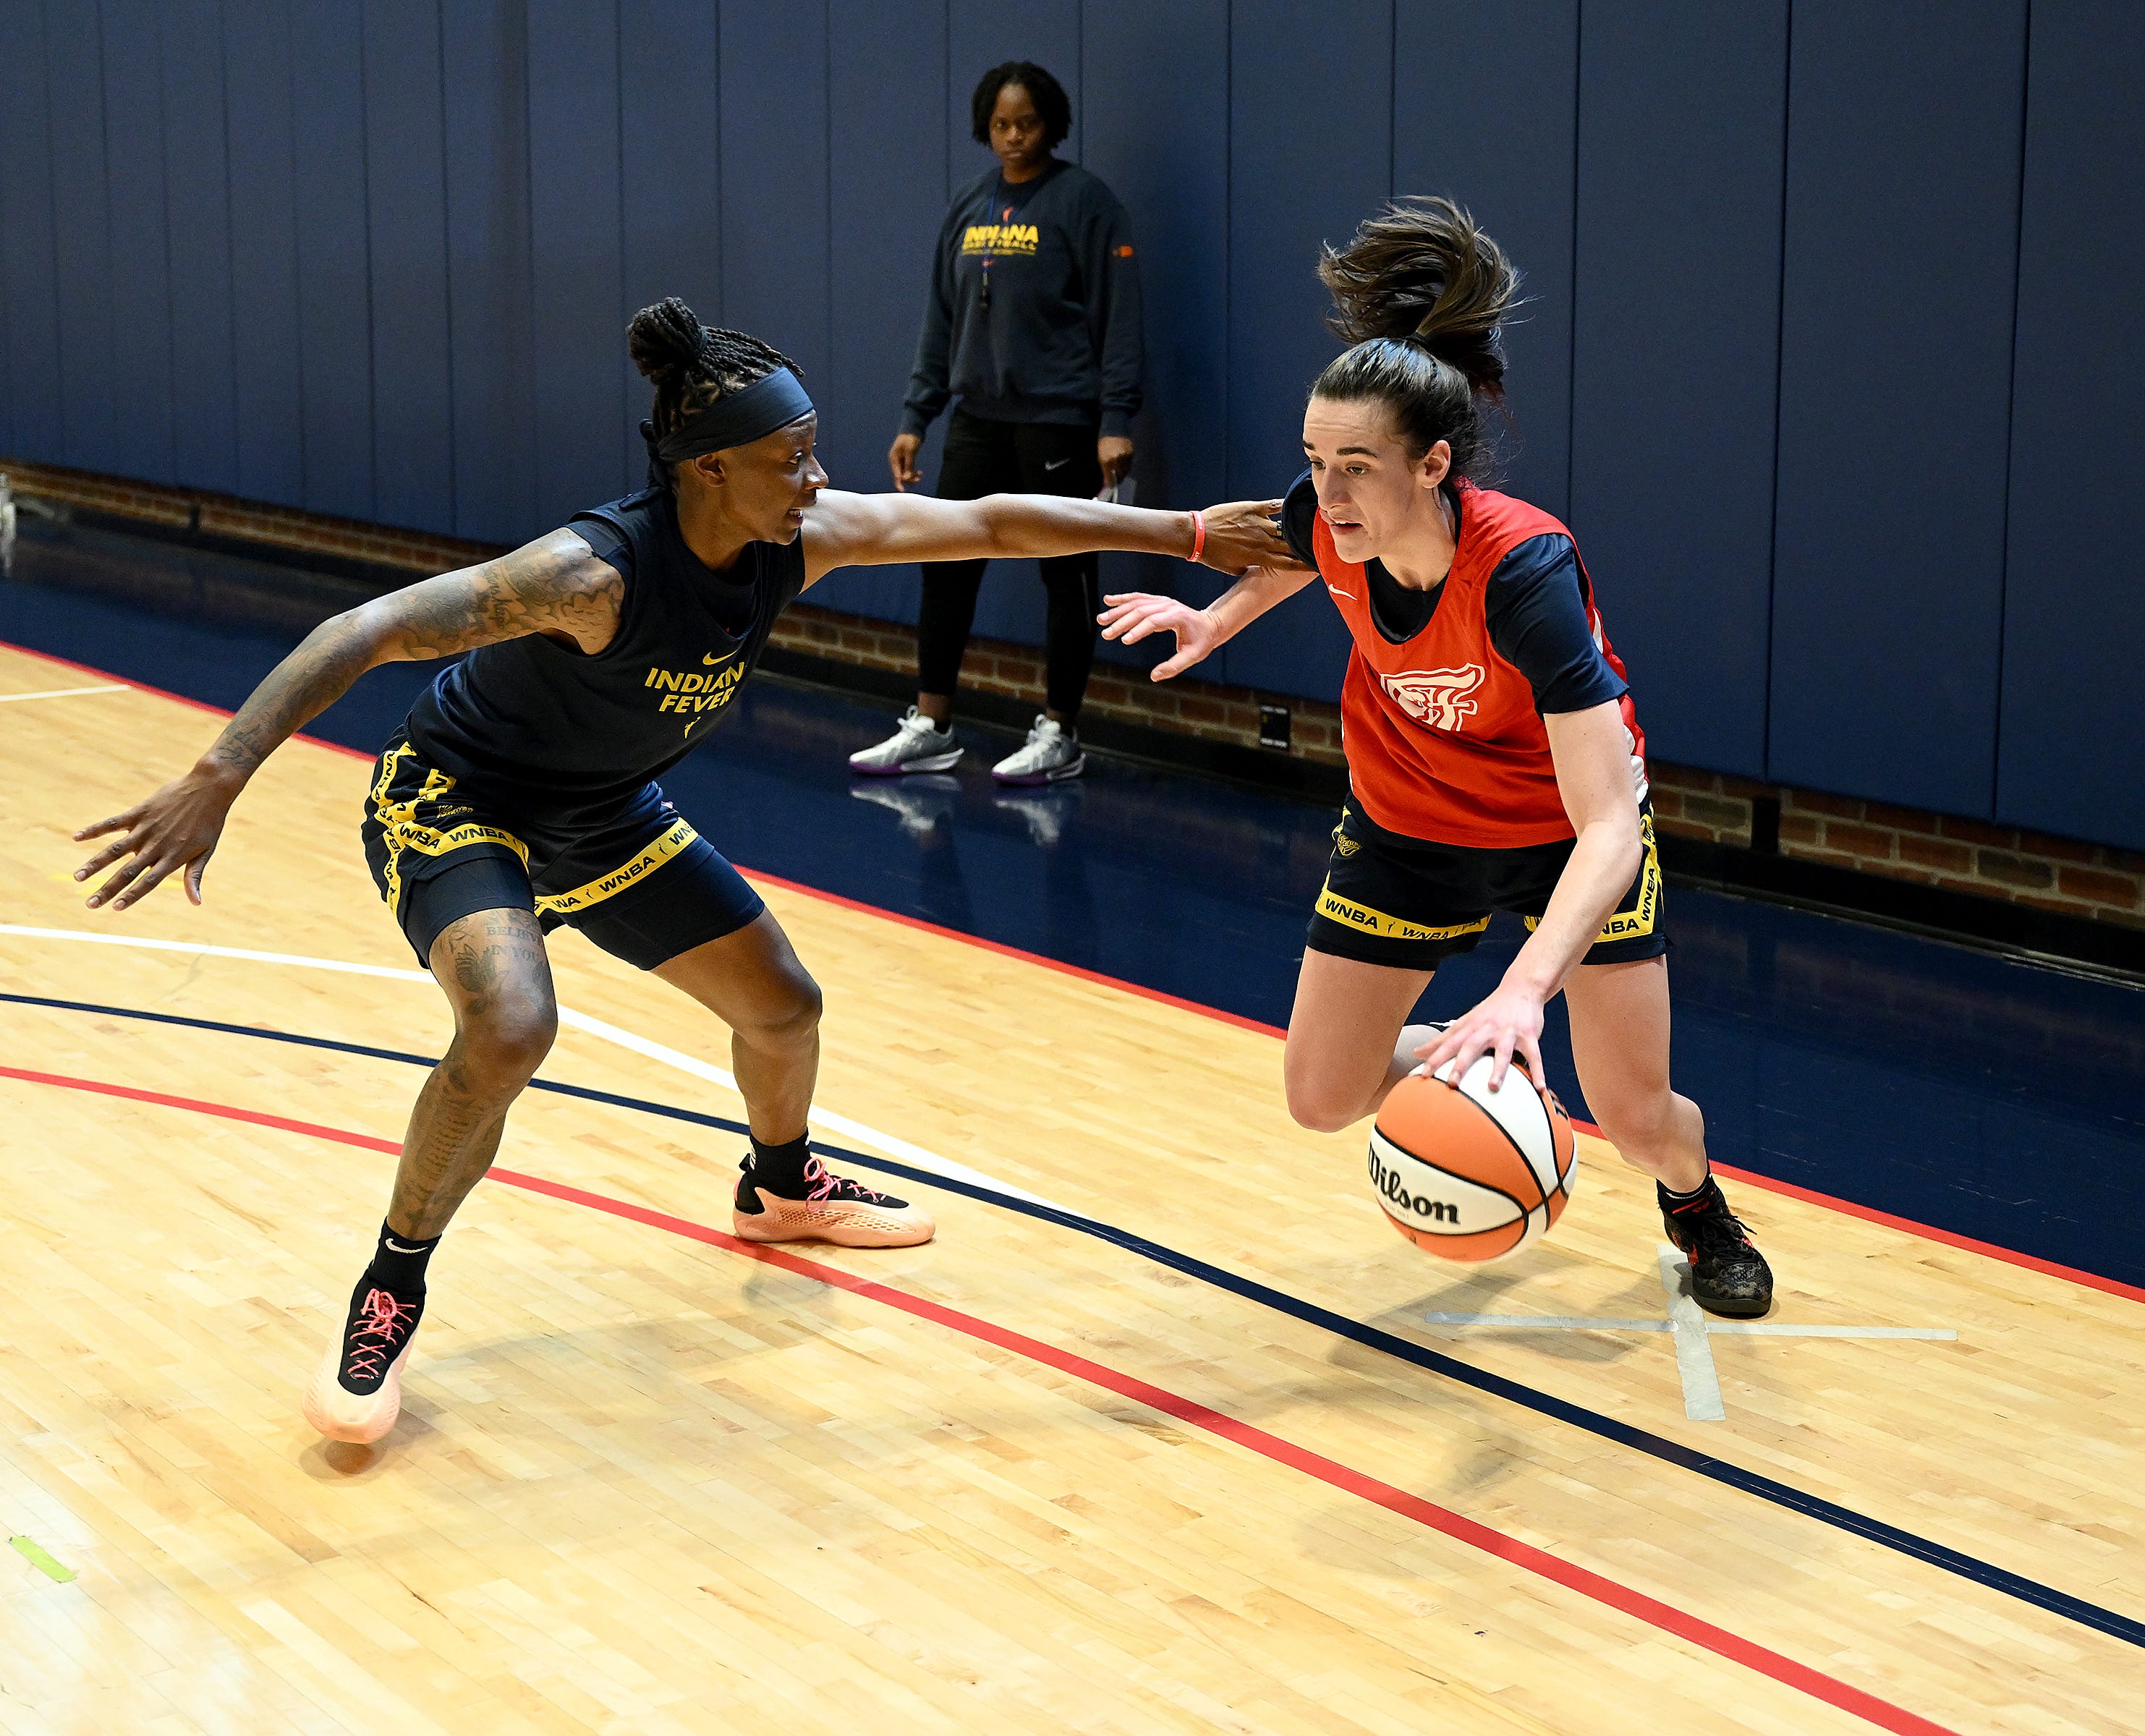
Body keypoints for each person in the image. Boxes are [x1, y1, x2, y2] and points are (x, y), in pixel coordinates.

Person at [72, 297, 1288, 1444]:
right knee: (509, 1026)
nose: (817, 481)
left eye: (816, 457)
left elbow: (988, 520)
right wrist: (218, 776)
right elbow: (365, 631)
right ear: (709, 466)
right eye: (795, 459)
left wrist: (1178, 532)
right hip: (461, 802)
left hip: (602, 812)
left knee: (785, 1007)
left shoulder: (796, 542)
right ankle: (392, 1287)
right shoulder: (591, 573)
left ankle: (779, 1186)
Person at [1097, 200, 1773, 1317]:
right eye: (1316, 462)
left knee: (1638, 1119)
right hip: (1408, 827)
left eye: (1357, 466)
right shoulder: (1331, 517)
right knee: (1321, 1096)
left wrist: (1520, 995)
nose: (1330, 491)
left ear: (1434, 465)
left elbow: (1610, 825)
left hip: (1564, 838)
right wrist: (1218, 619)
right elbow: (1302, 548)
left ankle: (1698, 1208)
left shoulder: (1524, 573)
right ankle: (1483, 1069)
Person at [853, 60, 1142, 786]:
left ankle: (1061, 731)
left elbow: (1119, 320)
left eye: (1028, 124)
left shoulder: (1085, 203)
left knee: (1065, 574)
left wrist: (1114, 419)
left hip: (1059, 420)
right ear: (986, 127)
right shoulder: (970, 204)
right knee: (945, 566)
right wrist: (917, 414)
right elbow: (940, 319)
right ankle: (932, 723)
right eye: (1002, 125)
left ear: (1052, 126)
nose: (1014, 137)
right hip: (976, 418)